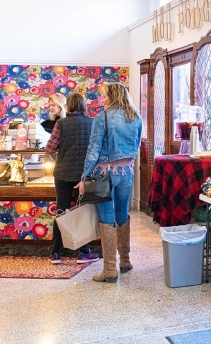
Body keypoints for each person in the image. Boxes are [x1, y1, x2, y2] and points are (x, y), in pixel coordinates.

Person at [75, 83, 142, 283]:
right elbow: (136, 146)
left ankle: (110, 269)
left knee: (106, 217)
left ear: (113, 97)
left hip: (104, 173)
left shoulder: (102, 118)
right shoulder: (136, 117)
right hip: (126, 173)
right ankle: (125, 261)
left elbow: (93, 150)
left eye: (104, 96)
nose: (102, 100)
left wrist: (84, 177)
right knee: (122, 214)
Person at [45, 92, 99, 265]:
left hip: (62, 174)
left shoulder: (61, 123)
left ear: (68, 106)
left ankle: (56, 253)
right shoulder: (92, 123)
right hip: (83, 176)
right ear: (84, 106)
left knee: (61, 212)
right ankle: (83, 252)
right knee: (81, 213)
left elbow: (50, 149)